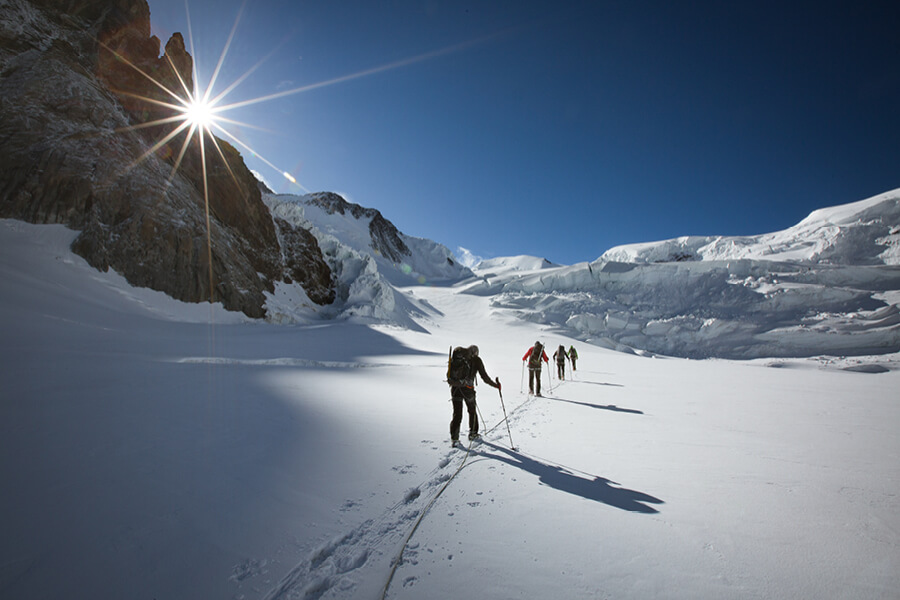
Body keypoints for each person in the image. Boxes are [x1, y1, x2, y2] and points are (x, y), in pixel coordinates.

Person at [447, 345, 500, 446]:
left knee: (457, 413)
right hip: (468, 389)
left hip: (455, 389)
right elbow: (484, 377)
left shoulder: (457, 358)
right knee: (472, 411)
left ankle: (454, 438)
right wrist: (495, 385)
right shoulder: (476, 360)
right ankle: (473, 433)